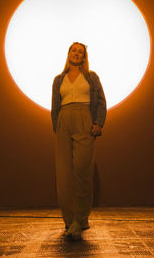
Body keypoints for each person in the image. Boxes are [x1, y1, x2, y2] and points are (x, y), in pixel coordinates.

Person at [51, 42, 107, 240]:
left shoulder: (91, 77)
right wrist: (57, 126)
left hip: (84, 117)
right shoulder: (59, 79)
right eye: (74, 50)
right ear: (68, 54)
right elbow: (55, 105)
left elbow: (100, 101)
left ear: (84, 57)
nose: (77, 54)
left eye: (80, 52)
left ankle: (80, 219)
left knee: (82, 171)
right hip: (64, 120)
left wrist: (98, 122)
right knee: (64, 173)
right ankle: (70, 219)